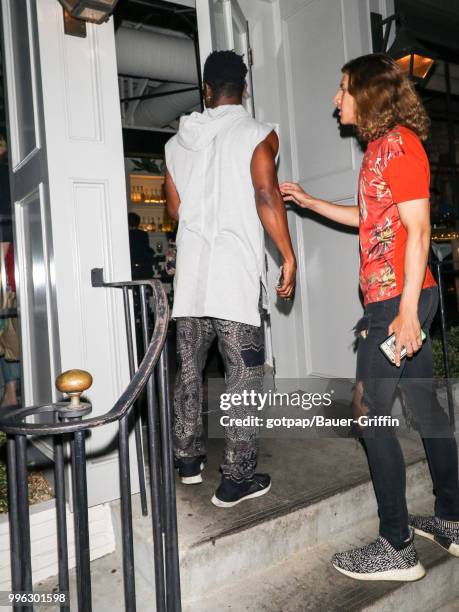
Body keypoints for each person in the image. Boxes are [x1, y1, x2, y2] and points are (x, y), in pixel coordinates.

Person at [280, 53, 459, 581]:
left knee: (369, 414)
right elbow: (371, 218)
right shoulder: (381, 150)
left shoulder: (399, 145)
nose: (336, 100)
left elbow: (419, 231)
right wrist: (311, 203)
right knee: (425, 408)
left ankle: (396, 545)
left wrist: (405, 313)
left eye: (342, 89)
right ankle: (451, 518)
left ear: (367, 93)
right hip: (400, 298)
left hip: (395, 302)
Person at [165, 50, 296, 508]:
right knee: (243, 374)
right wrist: (288, 255)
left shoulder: (177, 142)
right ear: (243, 88)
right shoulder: (259, 135)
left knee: (190, 370)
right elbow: (265, 192)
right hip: (233, 277)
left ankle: (187, 460)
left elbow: (175, 211)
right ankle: (236, 478)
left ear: (205, 89)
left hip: (191, 282)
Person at [127, 212, 154, 280]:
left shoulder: (126, 234)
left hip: (132, 269)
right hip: (144, 269)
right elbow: (146, 250)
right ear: (138, 223)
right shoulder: (143, 234)